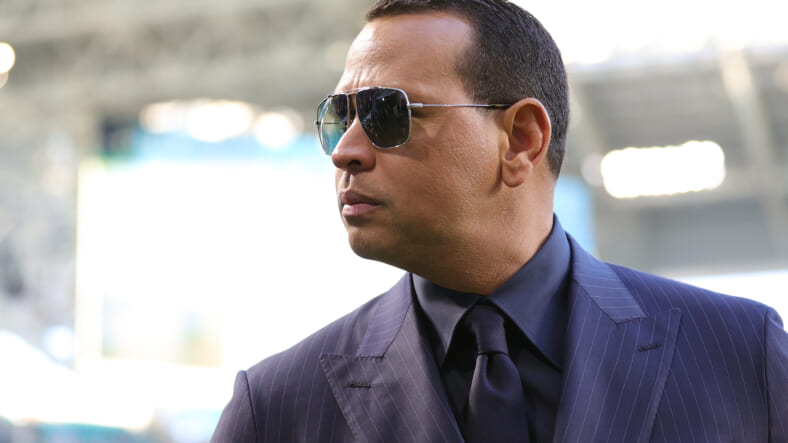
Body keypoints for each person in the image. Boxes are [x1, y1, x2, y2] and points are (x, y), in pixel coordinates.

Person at [211, 1, 788, 441]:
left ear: (520, 140)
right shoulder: (276, 408)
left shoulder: (743, 358)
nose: (345, 152)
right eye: (339, 116)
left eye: (389, 113)